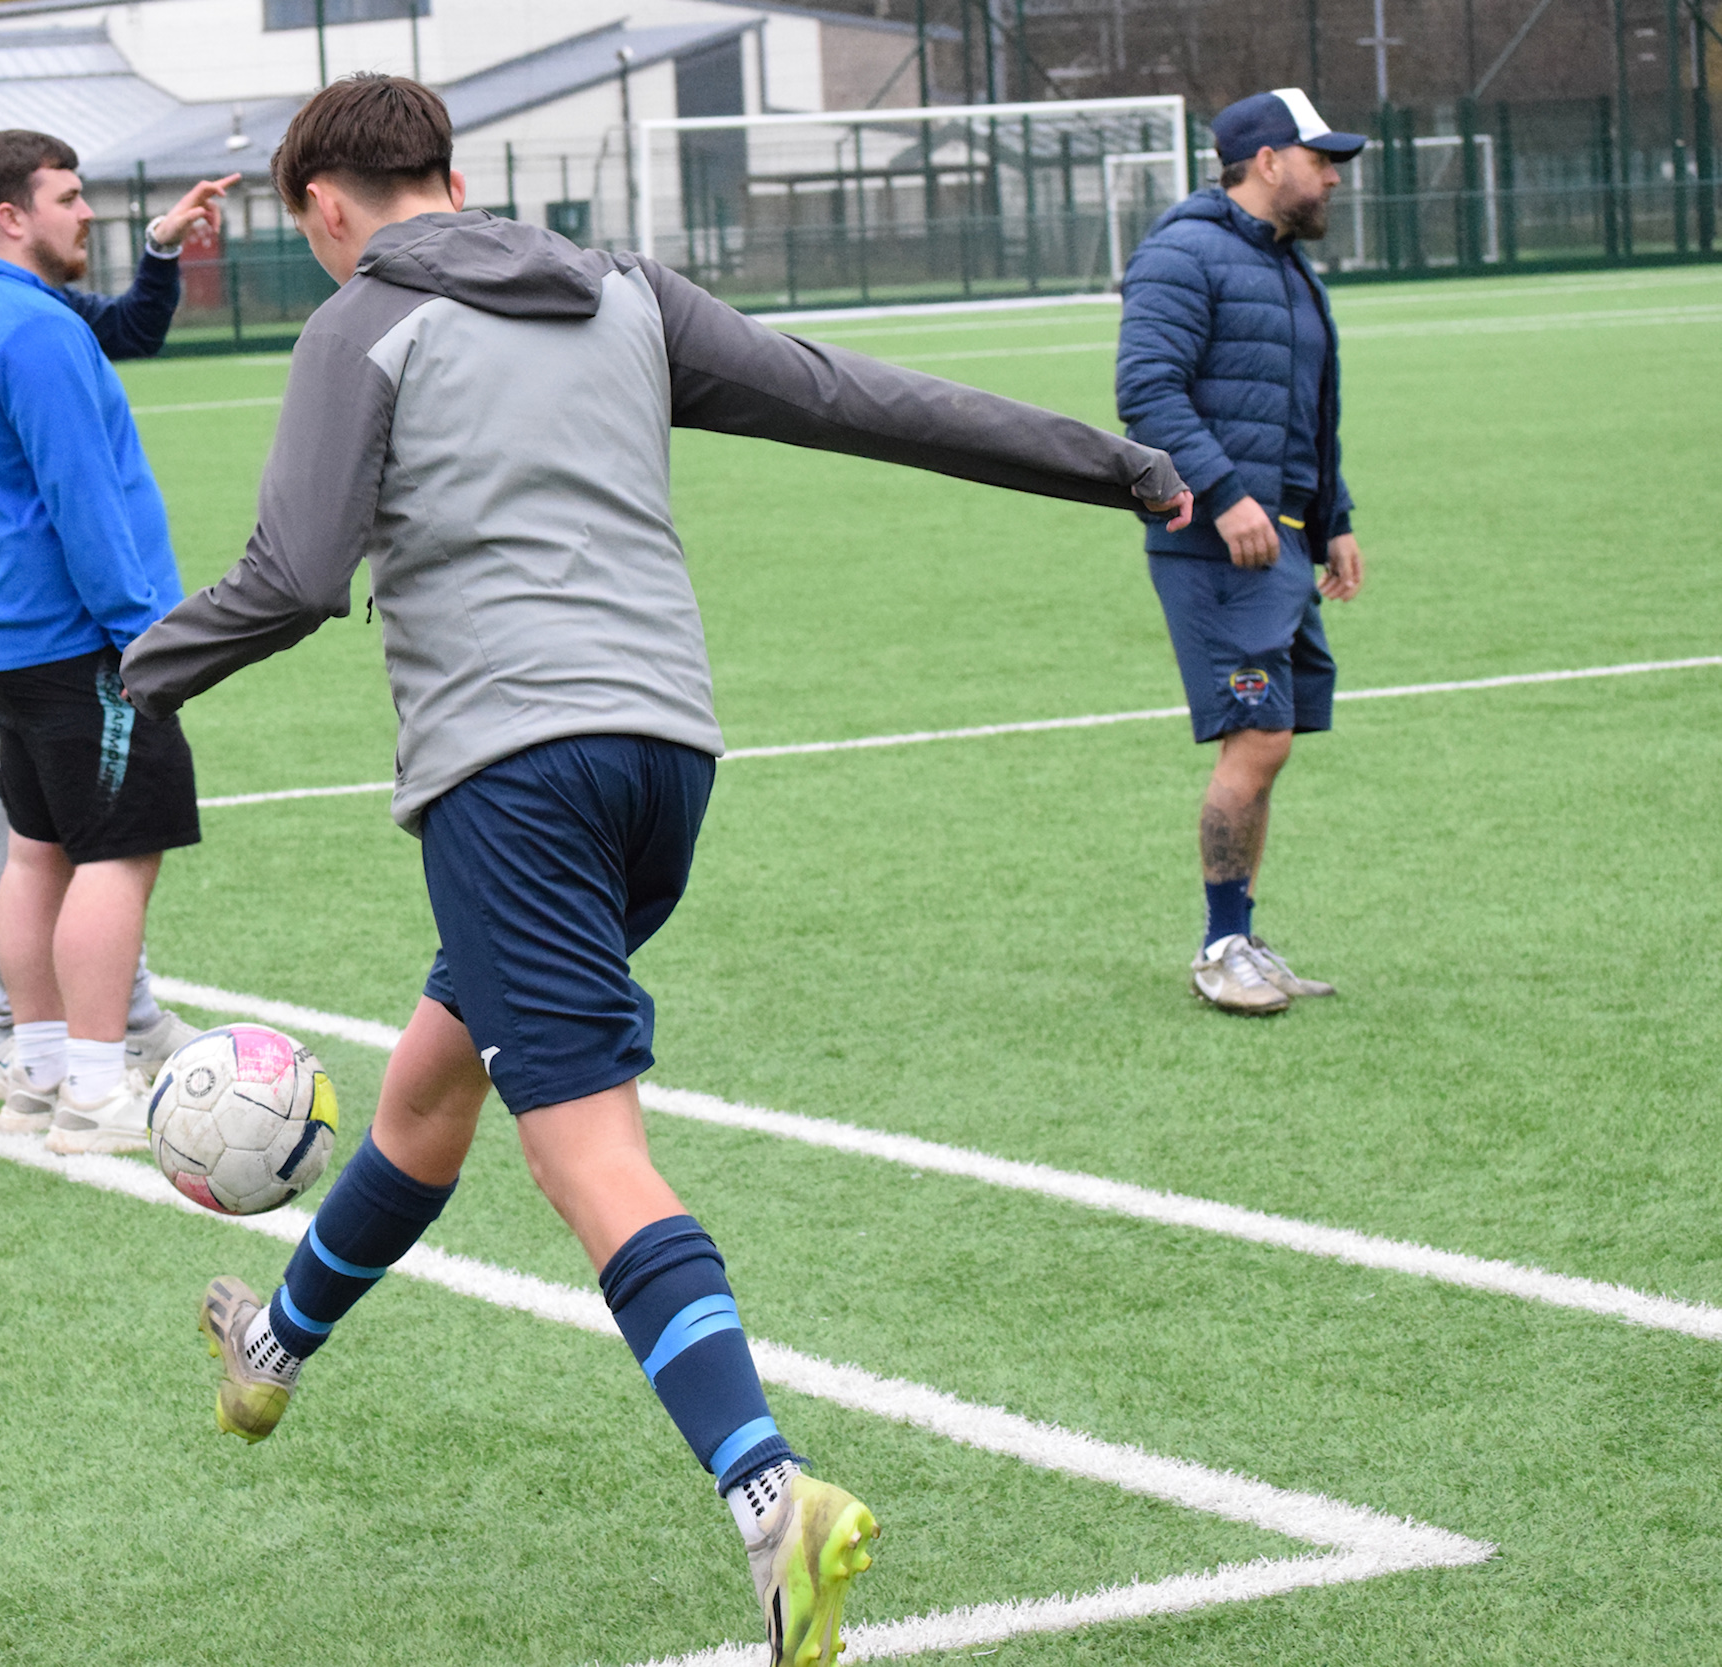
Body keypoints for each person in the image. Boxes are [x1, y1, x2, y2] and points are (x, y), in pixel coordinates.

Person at [120, 74, 1189, 1667]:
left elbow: (293, 574)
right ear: (455, 174)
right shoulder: (623, 290)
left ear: (323, 208)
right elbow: (850, 396)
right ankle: (270, 1345)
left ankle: (774, 1502)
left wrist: (126, 676)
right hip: (664, 763)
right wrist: (1116, 462)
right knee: (429, 1086)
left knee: (589, 1153)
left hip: (509, 773)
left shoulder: (361, 323)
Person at [0, 126, 228, 1100]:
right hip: (79, 642)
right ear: (13, 215)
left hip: (8, 642)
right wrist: (149, 633)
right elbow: (83, 495)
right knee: (115, 855)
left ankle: (36, 1072)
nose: (88, 211)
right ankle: (97, 1089)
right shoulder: (33, 328)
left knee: (35, 853)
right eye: (69, 195)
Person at [1116, 88, 1369, 1017]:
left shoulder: (1291, 269)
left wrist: (1332, 516)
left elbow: (1309, 413)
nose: (1333, 175)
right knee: (1255, 736)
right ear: (1269, 161)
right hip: (1219, 547)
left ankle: (1243, 935)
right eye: (1320, 158)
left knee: (1273, 741)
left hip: (1287, 544)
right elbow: (1147, 391)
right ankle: (1221, 945)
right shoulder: (1184, 252)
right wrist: (1224, 497)